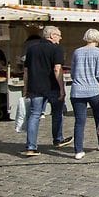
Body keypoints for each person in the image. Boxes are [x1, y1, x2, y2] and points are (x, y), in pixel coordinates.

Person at [22, 25, 72, 156]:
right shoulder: (56, 49)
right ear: (52, 35)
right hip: (52, 87)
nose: (60, 38)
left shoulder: (31, 49)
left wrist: (25, 88)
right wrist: (62, 88)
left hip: (35, 87)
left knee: (34, 115)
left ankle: (31, 147)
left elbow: (26, 71)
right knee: (57, 113)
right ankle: (58, 139)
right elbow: (57, 69)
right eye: (59, 35)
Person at [70, 29, 99, 160]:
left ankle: (78, 150)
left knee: (79, 121)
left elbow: (73, 72)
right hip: (94, 90)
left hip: (77, 90)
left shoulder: (77, 52)